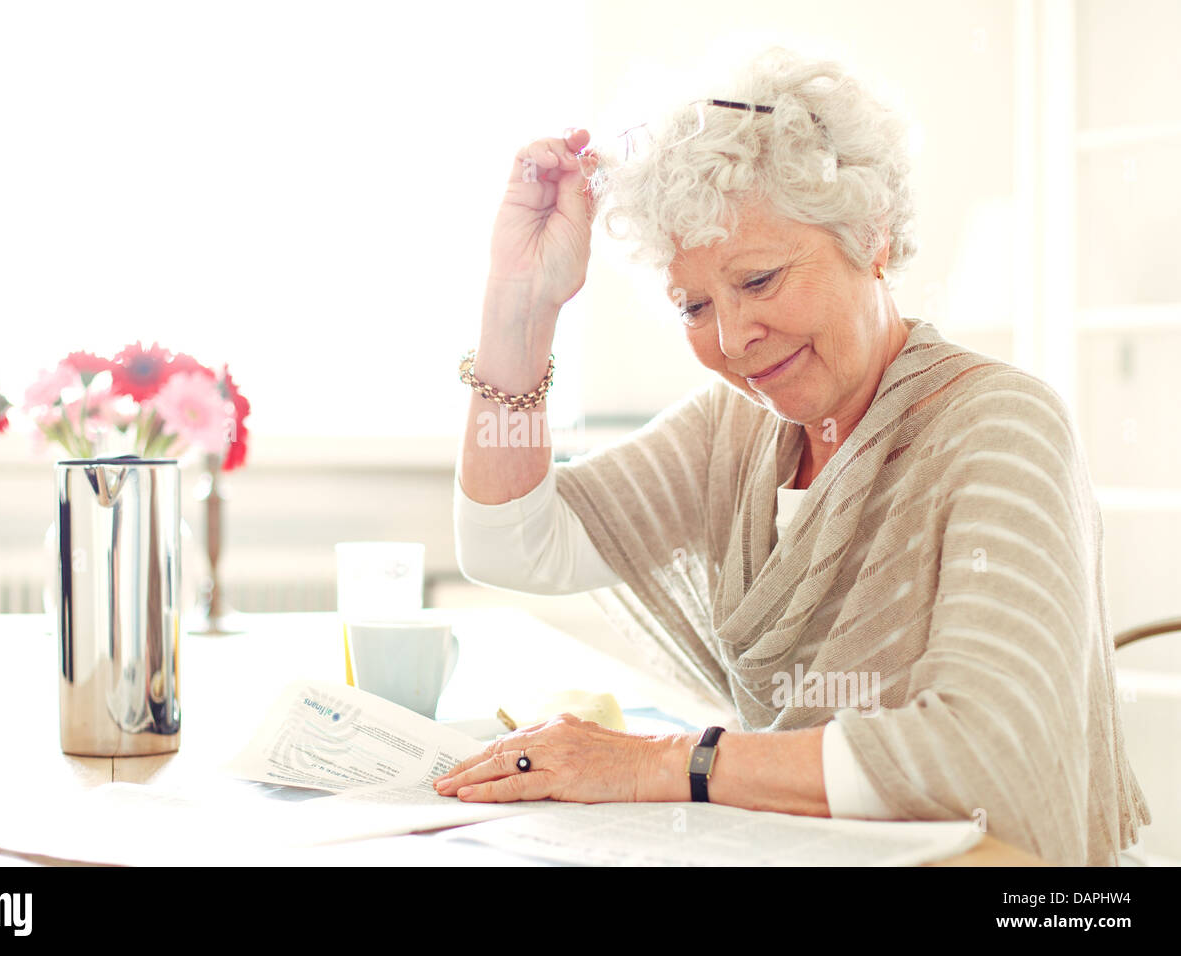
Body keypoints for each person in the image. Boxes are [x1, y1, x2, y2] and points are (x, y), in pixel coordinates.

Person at [435, 47, 1150, 866]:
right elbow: (508, 542)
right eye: (695, 306)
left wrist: (665, 766)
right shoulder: (734, 431)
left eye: (763, 280)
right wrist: (518, 307)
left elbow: (979, 755)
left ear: (869, 237)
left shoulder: (1002, 427)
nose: (735, 340)